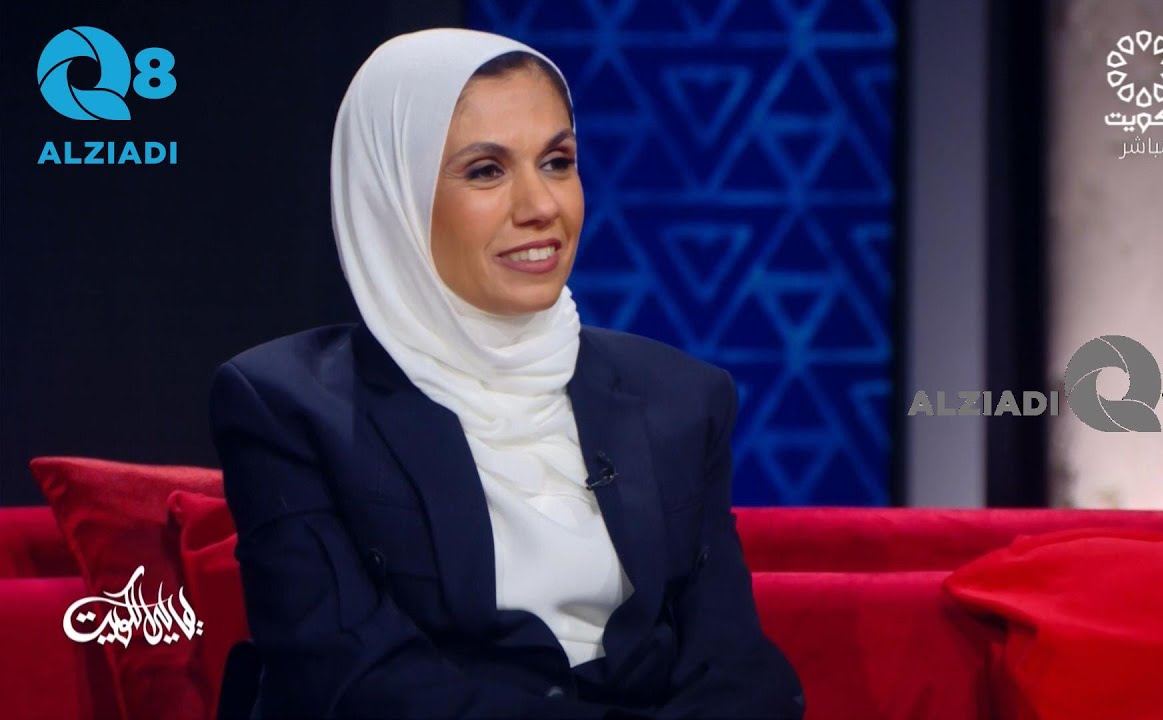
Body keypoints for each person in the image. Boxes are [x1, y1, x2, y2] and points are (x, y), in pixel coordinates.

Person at [208, 27, 804, 720]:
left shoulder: (679, 397)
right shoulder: (290, 408)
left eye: (557, 161)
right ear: (394, 197)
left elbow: (733, 664)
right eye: (486, 171)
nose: (541, 206)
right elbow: (352, 680)